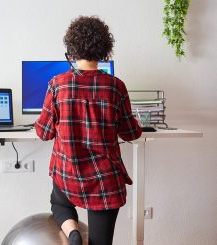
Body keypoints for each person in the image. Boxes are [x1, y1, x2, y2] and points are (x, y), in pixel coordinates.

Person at [35, 16, 142, 245]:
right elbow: (131, 134)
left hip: (68, 174)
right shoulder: (116, 86)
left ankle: (73, 234)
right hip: (105, 180)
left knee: (59, 203)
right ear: (105, 50)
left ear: (71, 51)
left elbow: (43, 133)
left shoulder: (57, 84)